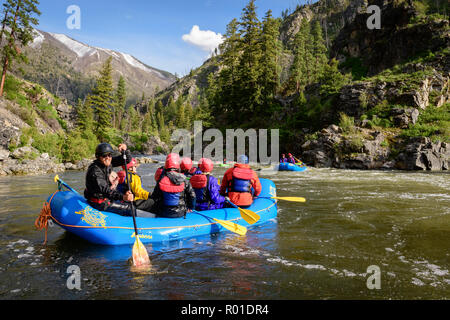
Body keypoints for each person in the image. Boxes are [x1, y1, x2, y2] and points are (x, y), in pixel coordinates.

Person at [84, 143, 135, 216]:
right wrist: (123, 197)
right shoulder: (95, 171)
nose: (108, 157)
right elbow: (106, 190)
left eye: (110, 155)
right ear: (98, 157)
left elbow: (126, 160)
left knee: (128, 199)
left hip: (105, 197)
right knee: (131, 208)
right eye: (104, 155)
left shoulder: (107, 163)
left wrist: (125, 150)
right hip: (99, 203)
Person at [150, 153, 196, 218]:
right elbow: (192, 196)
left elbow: (155, 197)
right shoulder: (184, 179)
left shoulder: (161, 179)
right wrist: (191, 208)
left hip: (164, 212)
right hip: (181, 212)